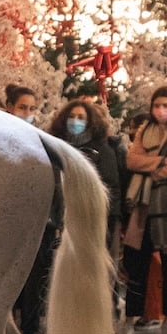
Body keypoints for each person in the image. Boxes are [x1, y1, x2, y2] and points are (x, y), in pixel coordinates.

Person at [116, 87, 167, 334]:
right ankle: (131, 320)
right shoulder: (145, 130)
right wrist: (161, 162)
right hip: (143, 208)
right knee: (136, 266)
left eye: (166, 105)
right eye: (156, 105)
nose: (160, 110)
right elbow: (132, 160)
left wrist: (150, 165)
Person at [56, 97, 124, 244]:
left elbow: (110, 187)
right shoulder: (56, 145)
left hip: (90, 220)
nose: (75, 121)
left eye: (81, 117)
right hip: (59, 219)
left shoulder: (102, 150)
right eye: (72, 117)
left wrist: (107, 224)